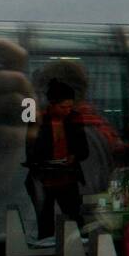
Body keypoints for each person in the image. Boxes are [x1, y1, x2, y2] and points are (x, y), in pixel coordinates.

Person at [24, 79, 89, 240]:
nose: (67, 110)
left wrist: (74, 155)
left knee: (75, 217)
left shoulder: (74, 118)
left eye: (69, 107)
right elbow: (30, 149)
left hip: (67, 176)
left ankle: (80, 255)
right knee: (45, 222)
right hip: (44, 177)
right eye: (63, 107)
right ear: (52, 104)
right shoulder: (39, 119)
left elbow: (83, 149)